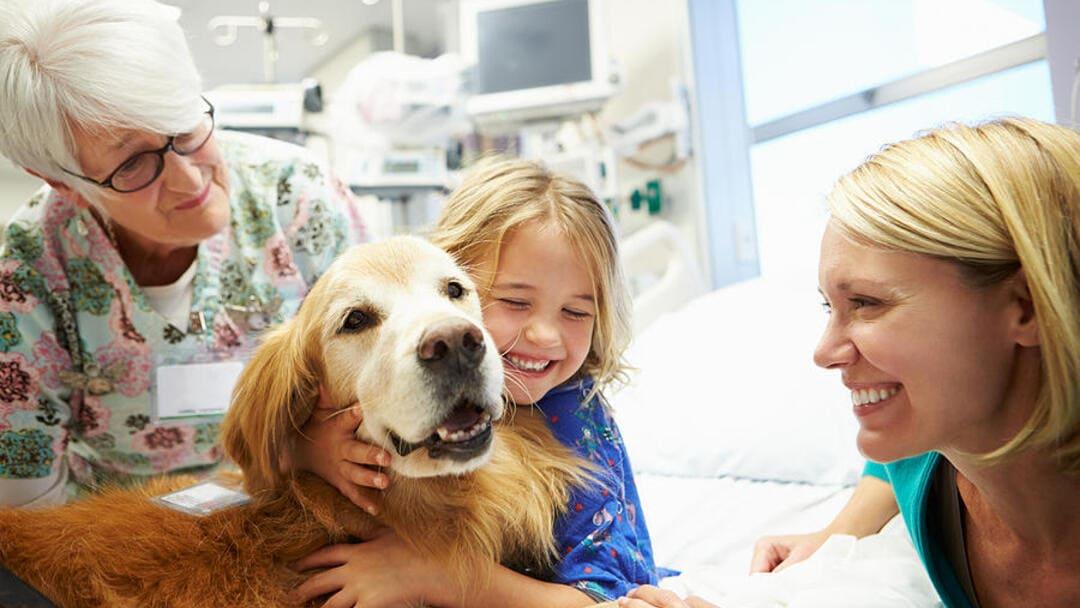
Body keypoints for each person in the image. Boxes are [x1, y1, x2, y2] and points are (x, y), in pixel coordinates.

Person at [620, 117, 1080, 608]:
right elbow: (892, 467)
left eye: (866, 302)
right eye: (829, 307)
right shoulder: (926, 459)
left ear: (1026, 306)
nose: (824, 352)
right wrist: (838, 533)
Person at [0, 0, 389, 508]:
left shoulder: (298, 199)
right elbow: (27, 503)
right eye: (134, 164)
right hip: (122, 538)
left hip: (306, 509)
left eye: (184, 128)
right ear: (67, 185)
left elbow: (387, 384)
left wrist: (306, 451)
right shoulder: (30, 273)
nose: (190, 179)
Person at [290, 159, 663, 607]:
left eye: (576, 312)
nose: (545, 335)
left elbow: (602, 598)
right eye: (514, 301)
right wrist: (309, 447)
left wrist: (432, 573)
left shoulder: (576, 416)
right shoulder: (412, 372)